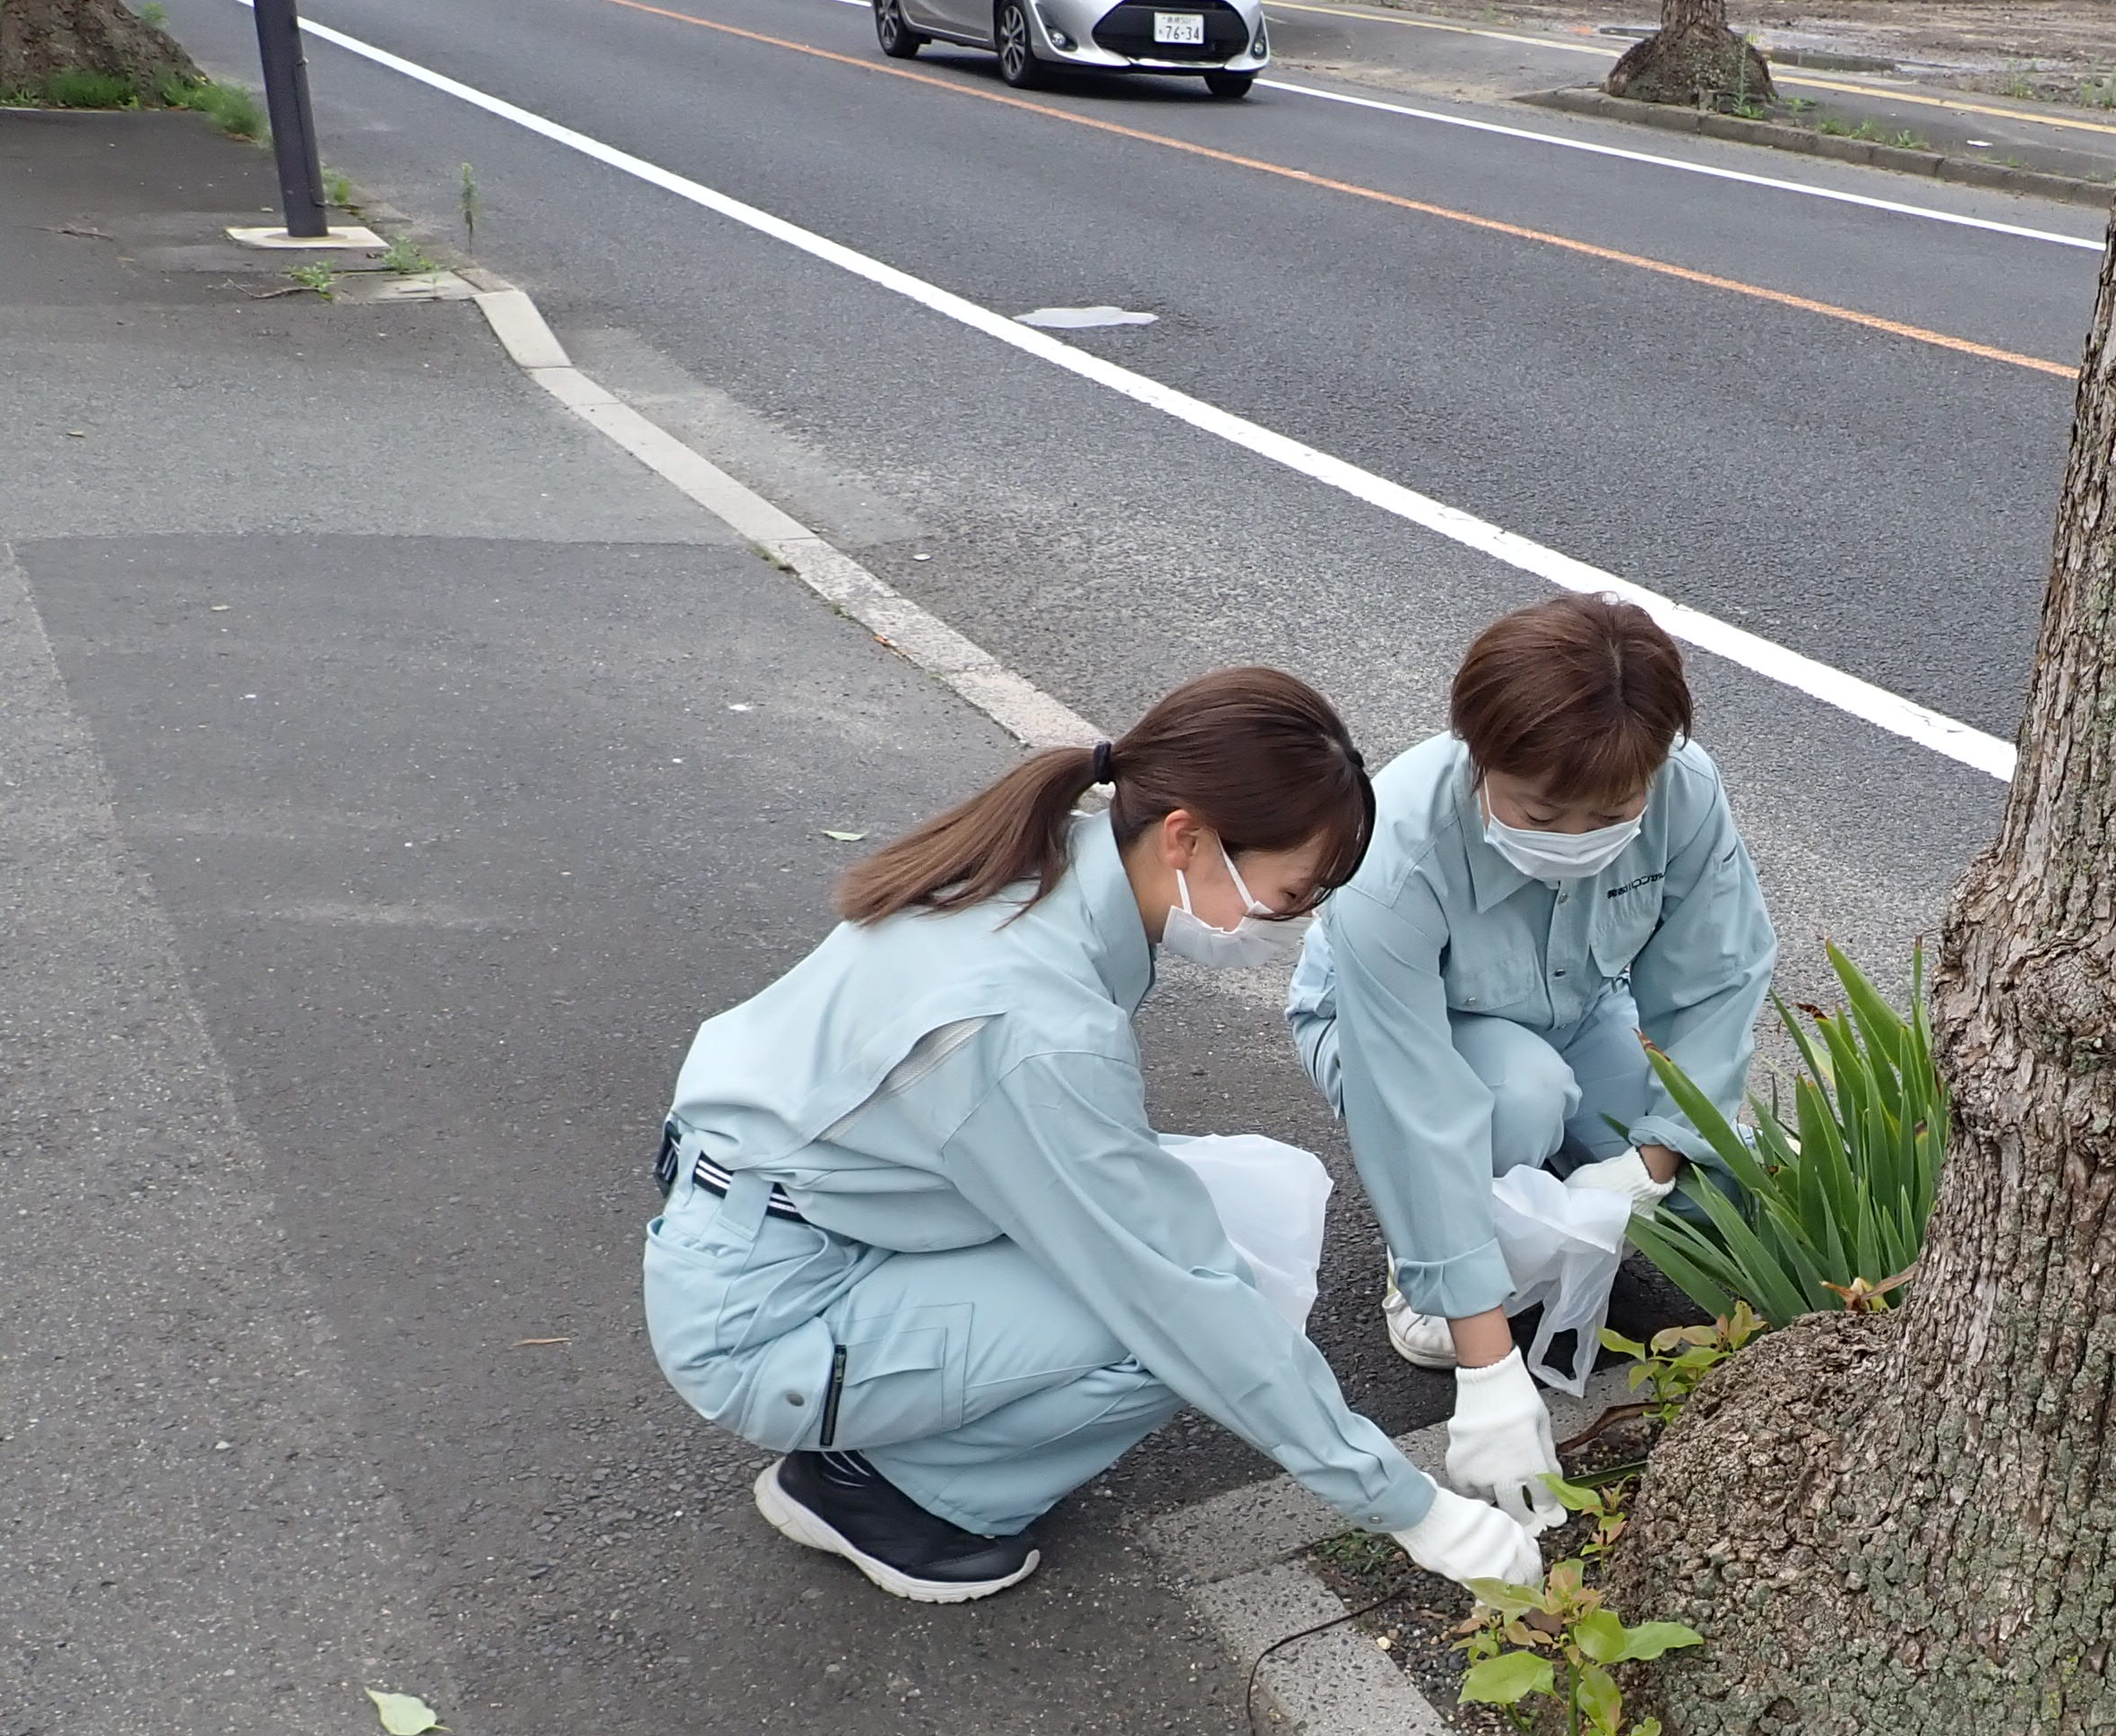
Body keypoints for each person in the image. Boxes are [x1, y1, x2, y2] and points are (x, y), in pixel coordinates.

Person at [644, 669, 1543, 1604]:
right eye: (1293, 892)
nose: (1298, 922)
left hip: (803, 1226)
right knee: (1180, 1313)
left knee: (1253, 1206)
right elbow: (1181, 1298)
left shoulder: (1047, 864)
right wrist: (1408, 1507)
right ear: (1187, 837)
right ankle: (887, 1495)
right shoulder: (1030, 1027)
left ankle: (908, 1439)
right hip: (768, 1322)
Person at [1287, 596, 1776, 1525]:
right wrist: (1487, 1367)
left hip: (1582, 1005)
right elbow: (1409, 1092)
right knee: (1516, 1095)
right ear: (1478, 758)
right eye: (1536, 811)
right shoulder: (1393, 841)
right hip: (1403, 1026)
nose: (1569, 839)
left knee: (1728, 1195)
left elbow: (1716, 980)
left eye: (1609, 814)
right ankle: (1427, 1257)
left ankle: (1537, 1190)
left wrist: (1652, 1161)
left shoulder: (1684, 789)